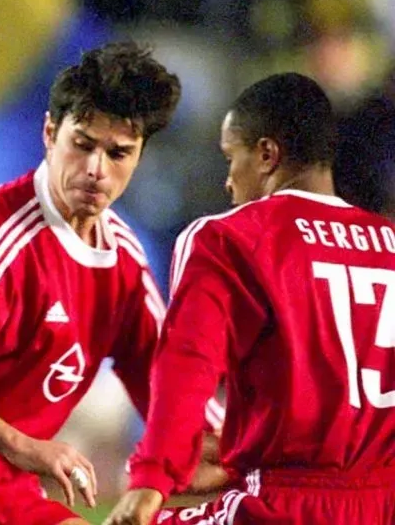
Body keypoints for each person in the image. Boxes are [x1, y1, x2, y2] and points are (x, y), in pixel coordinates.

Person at [0, 42, 222, 525]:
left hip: (10, 490)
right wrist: (23, 446)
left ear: (138, 157)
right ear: (50, 133)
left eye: (118, 153)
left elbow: (170, 386)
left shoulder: (125, 260)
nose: (96, 169)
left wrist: (251, 451)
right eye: (83, 144)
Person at [104, 73, 395, 525]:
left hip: (283, 507)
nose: (227, 180)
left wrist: (151, 479)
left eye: (230, 157)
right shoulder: (389, 242)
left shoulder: (228, 238)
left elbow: (187, 365)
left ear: (265, 155)